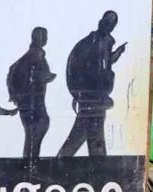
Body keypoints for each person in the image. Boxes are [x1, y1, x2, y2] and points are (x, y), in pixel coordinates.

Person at [58, 10, 126, 157]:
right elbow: (96, 67)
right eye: (109, 23)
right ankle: (62, 161)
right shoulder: (94, 43)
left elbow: (105, 62)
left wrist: (118, 53)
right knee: (87, 134)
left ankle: (66, 160)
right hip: (92, 98)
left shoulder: (99, 41)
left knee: (90, 135)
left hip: (94, 98)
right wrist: (82, 94)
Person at [7, 27, 57, 159]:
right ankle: (31, 161)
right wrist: (46, 77)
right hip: (33, 101)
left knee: (32, 132)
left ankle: (29, 161)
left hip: (30, 101)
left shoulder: (34, 55)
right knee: (39, 126)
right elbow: (33, 75)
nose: (46, 39)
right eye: (44, 36)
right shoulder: (34, 56)